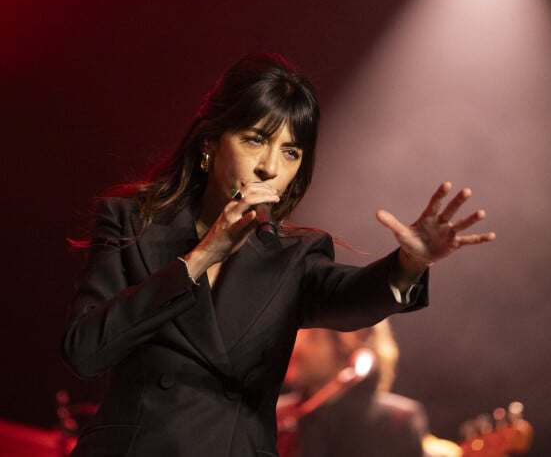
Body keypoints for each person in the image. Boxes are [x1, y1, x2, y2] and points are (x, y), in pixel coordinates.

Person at [61, 53, 495, 457]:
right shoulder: (131, 222)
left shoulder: (294, 256)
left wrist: (411, 263)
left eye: (290, 152)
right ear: (210, 142)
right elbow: (85, 351)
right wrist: (201, 256)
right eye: (255, 140)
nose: (270, 167)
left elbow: (354, 298)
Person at [277, 322, 461, 457]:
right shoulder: (274, 417)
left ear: (350, 338)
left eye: (311, 336)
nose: (295, 345)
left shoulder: (396, 421)